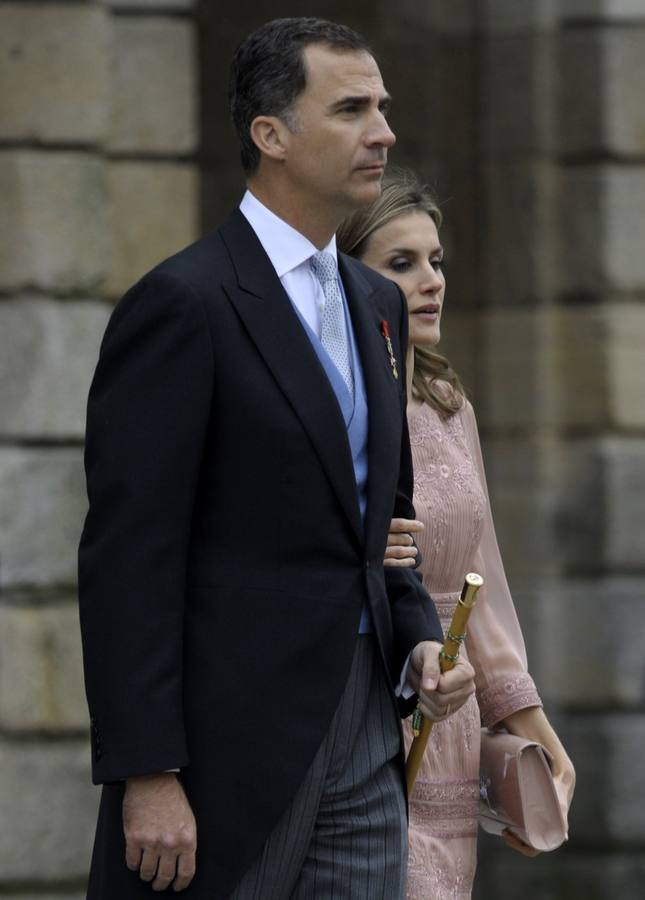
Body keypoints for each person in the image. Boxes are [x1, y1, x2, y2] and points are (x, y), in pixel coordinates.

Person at [78, 19, 476, 900]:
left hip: (368, 735)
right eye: (350, 109)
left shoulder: (377, 301)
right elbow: (128, 559)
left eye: (383, 108)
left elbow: (382, 524)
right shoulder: (182, 304)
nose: (383, 132)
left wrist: (415, 643)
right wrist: (146, 773)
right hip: (229, 757)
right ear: (271, 136)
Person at [337, 168, 576, 899]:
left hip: (456, 720)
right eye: (400, 264)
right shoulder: (336, 407)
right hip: (370, 707)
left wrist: (534, 729)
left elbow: (488, 587)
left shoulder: (447, 405)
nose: (429, 280)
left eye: (435, 261)